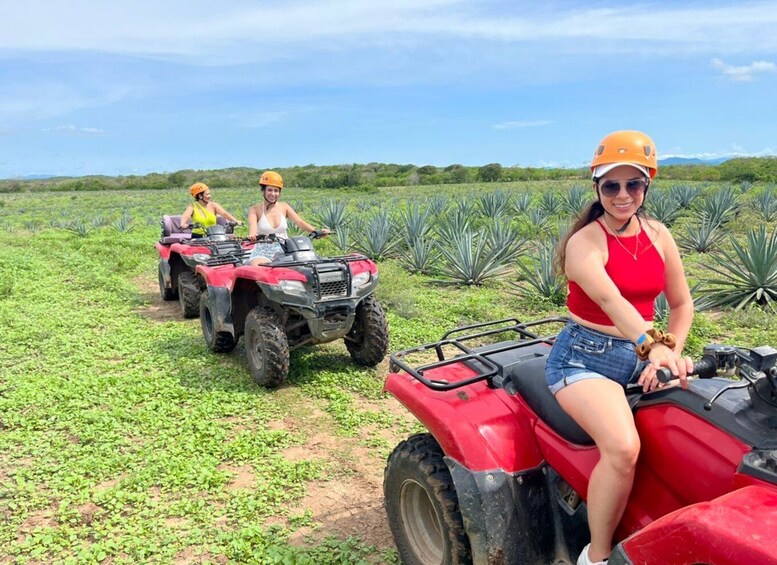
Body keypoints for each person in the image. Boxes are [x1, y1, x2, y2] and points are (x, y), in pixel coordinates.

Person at [545, 130, 694, 565]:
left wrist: (668, 351)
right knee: (624, 447)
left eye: (633, 184)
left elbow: (682, 305)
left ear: (647, 185)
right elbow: (612, 301)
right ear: (597, 188)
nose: (623, 194)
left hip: (642, 355)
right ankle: (597, 555)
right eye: (611, 185)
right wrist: (653, 346)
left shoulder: (659, 235)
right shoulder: (585, 242)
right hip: (582, 359)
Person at [246, 171, 329, 265]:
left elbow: (300, 222)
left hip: (285, 251)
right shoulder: (254, 209)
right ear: (263, 191)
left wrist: (316, 232)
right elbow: (253, 227)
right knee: (260, 271)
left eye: (276, 190)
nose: (273, 194)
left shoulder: (284, 207)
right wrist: (252, 235)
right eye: (269, 190)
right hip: (262, 253)